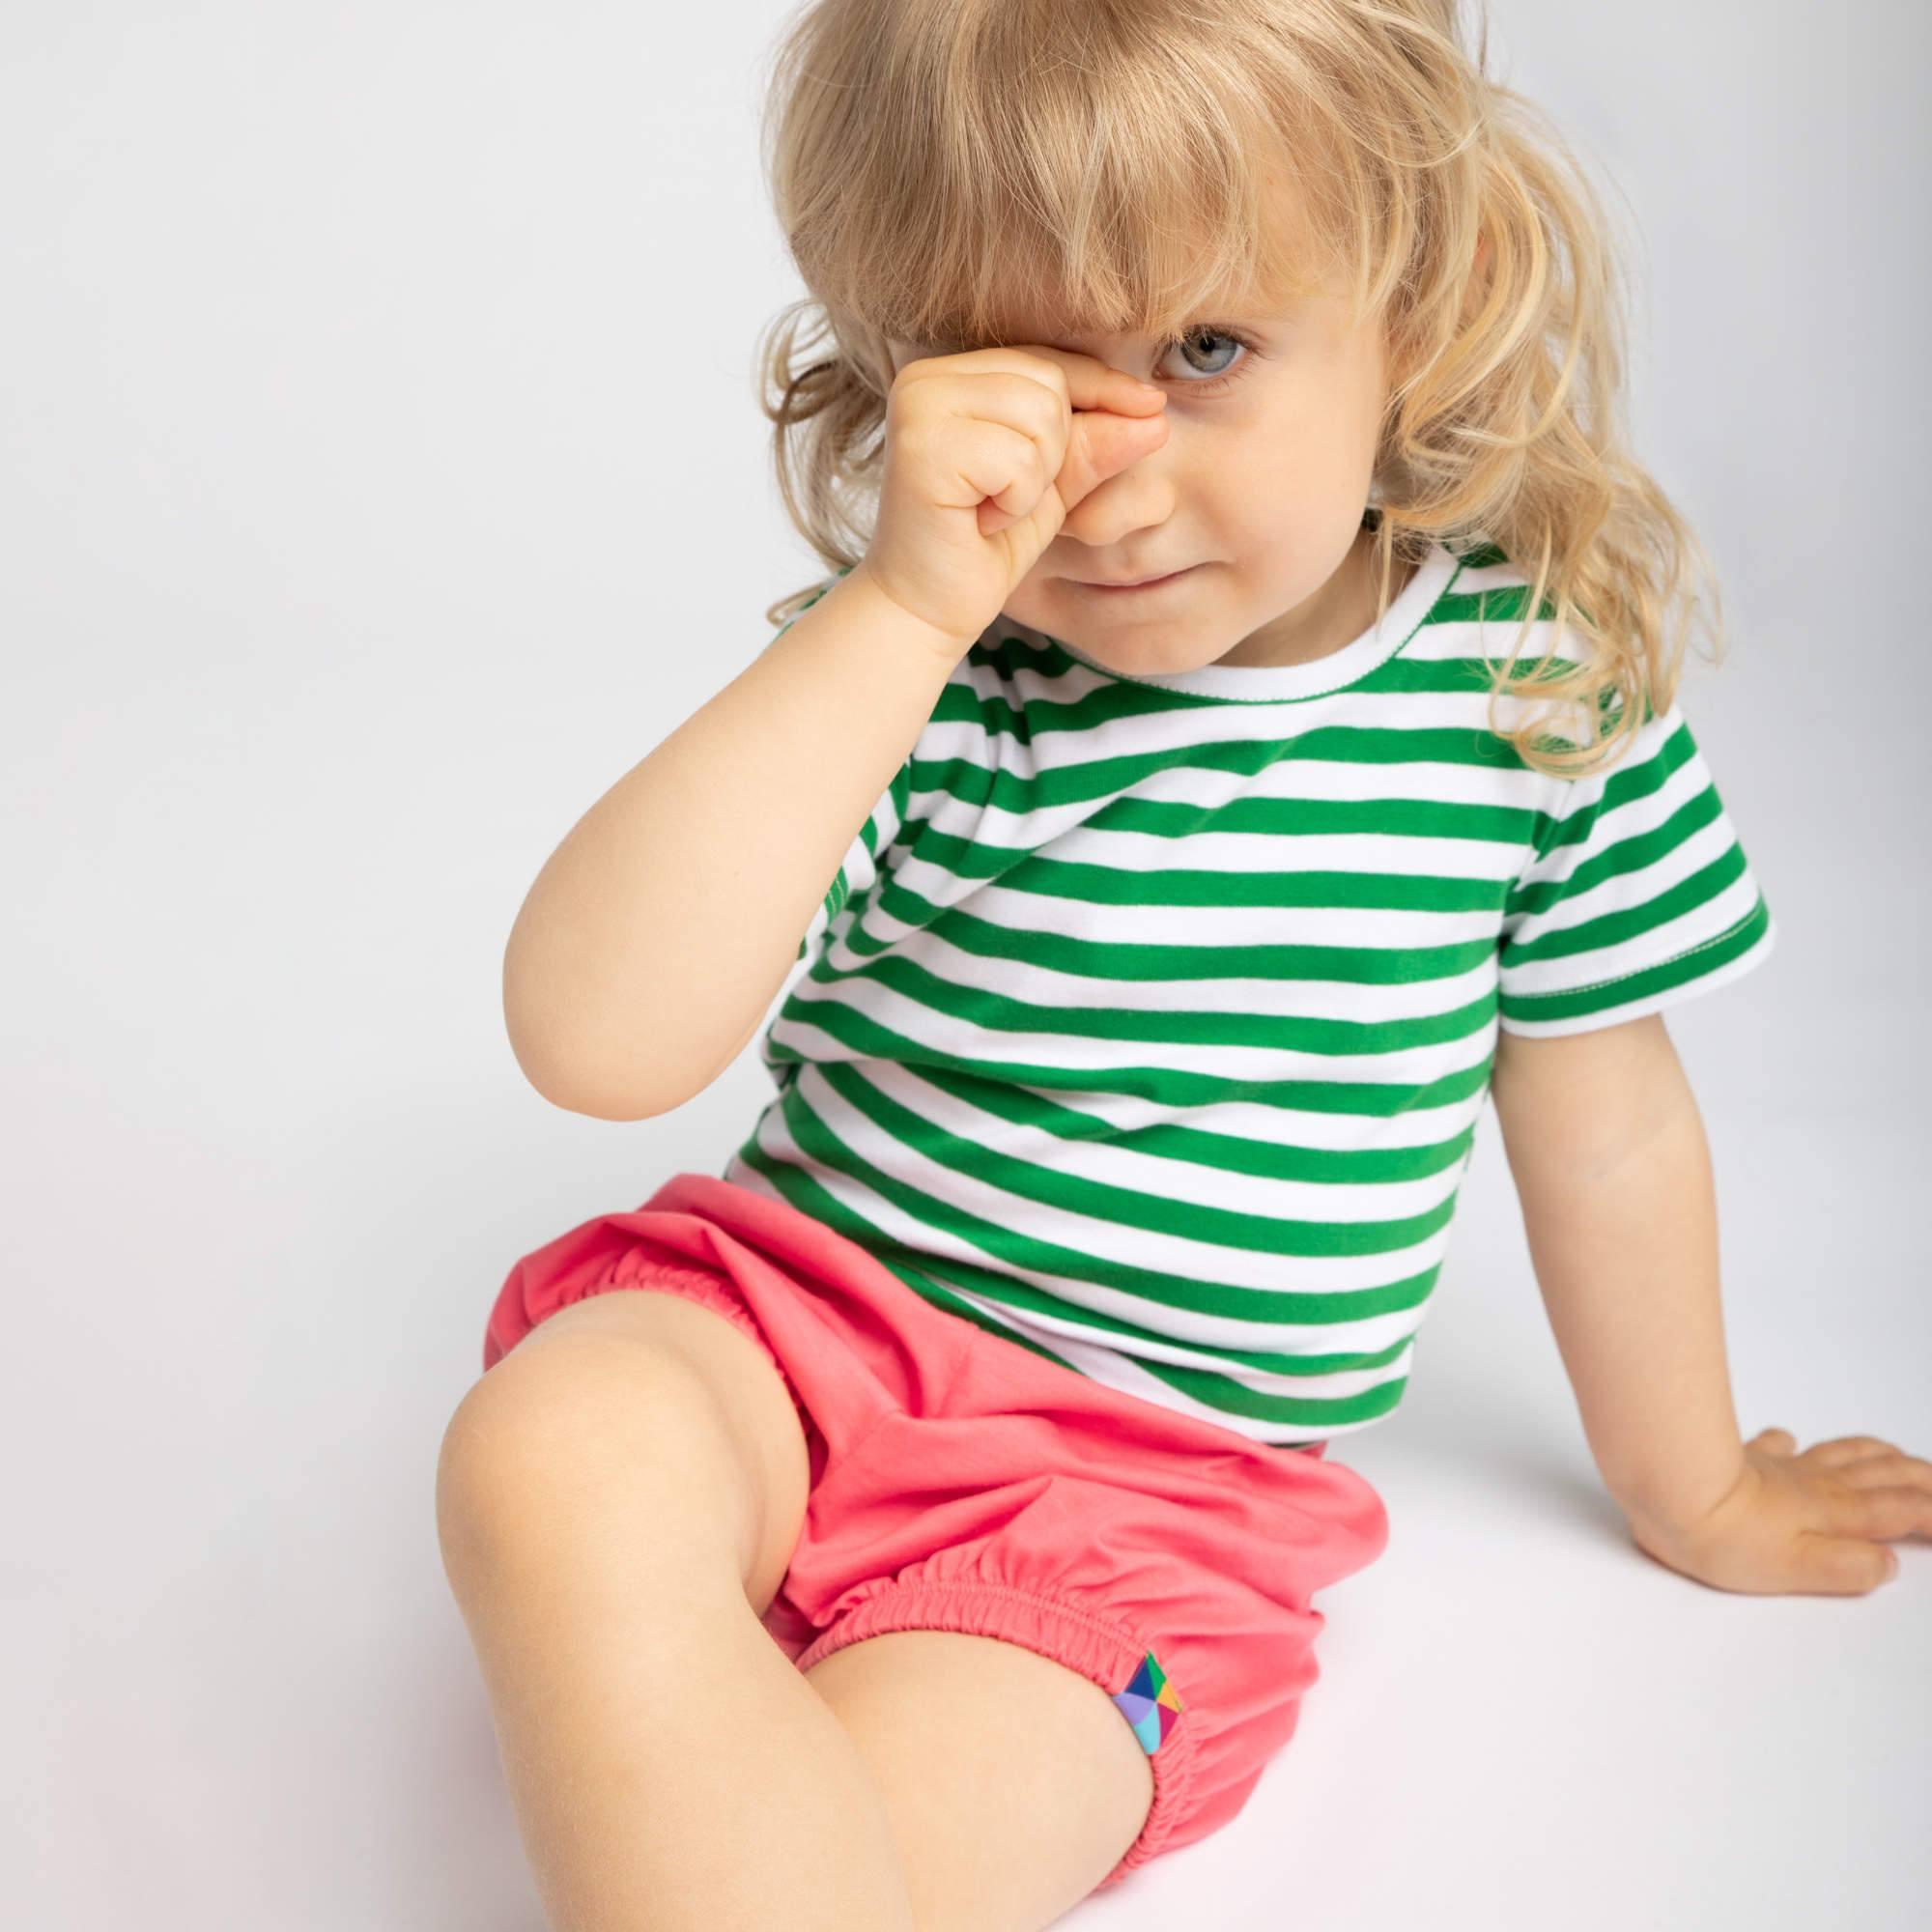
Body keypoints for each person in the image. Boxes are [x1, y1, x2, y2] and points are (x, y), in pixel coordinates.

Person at [432, 5, 1928, 1928]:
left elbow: (1609, 1128)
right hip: (791, 1340)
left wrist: (1699, 1485)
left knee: (890, 1845)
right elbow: (594, 1038)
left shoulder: (1530, 708)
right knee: (559, 1440)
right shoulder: (924, 674)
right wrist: (893, 608)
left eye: (1203, 351)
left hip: (1135, 1508)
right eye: (1013, 383)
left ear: (1425, 291)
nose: (1109, 488)